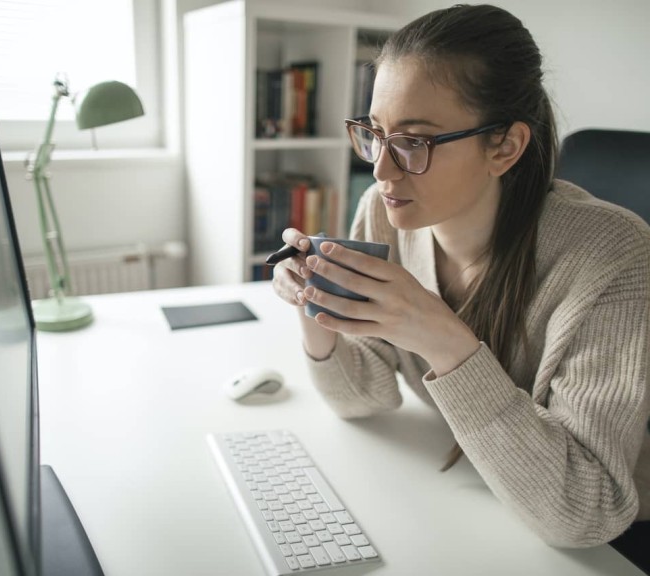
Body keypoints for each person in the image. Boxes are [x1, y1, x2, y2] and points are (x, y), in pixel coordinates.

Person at [271, 2, 650, 568]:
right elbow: (362, 398)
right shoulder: (383, 210)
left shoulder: (613, 254)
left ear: (504, 146)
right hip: (470, 491)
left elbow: (586, 510)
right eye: (374, 134)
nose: (381, 169)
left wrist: (442, 339)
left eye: (414, 142)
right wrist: (312, 300)